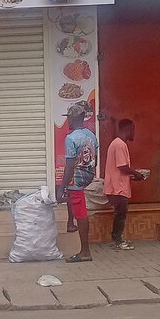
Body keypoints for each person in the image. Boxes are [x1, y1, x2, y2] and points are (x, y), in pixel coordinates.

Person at [61, 101, 98, 262]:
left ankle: (85, 252)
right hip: (88, 175)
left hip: (76, 178)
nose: (68, 120)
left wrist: (61, 186)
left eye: (69, 117)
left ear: (77, 118)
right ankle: (71, 224)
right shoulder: (91, 136)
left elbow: (69, 166)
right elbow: (94, 159)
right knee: (79, 209)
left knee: (81, 214)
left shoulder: (71, 138)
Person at [103, 119, 143, 251]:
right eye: (133, 130)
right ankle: (118, 240)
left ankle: (116, 238)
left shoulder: (116, 143)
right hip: (118, 187)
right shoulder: (120, 144)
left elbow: (120, 169)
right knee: (120, 214)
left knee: (119, 214)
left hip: (117, 185)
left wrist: (132, 176)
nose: (134, 133)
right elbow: (122, 166)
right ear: (128, 129)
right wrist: (136, 173)